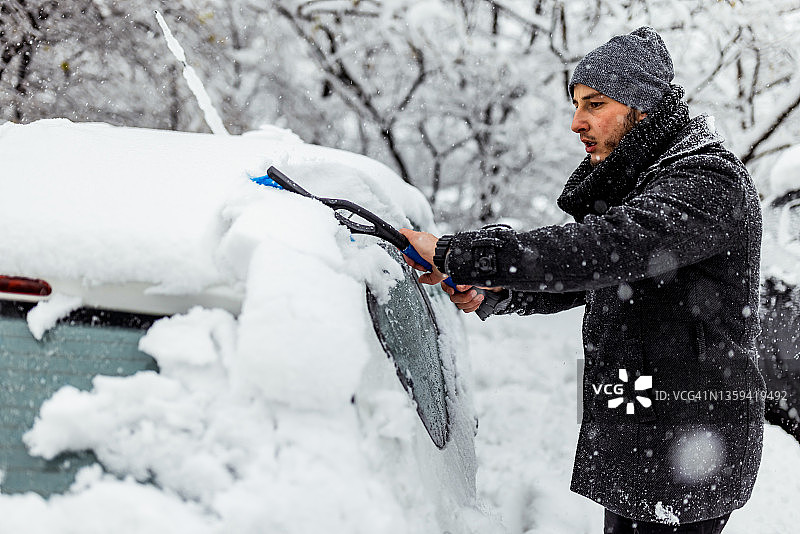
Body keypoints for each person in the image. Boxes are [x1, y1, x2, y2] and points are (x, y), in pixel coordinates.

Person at [400, 27, 764, 533]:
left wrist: (459, 253)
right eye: (576, 105)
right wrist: (499, 291)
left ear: (642, 106)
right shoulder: (648, 181)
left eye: (594, 105)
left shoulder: (706, 181)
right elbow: (602, 277)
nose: (577, 123)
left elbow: (600, 251)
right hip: (639, 419)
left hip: (689, 437)